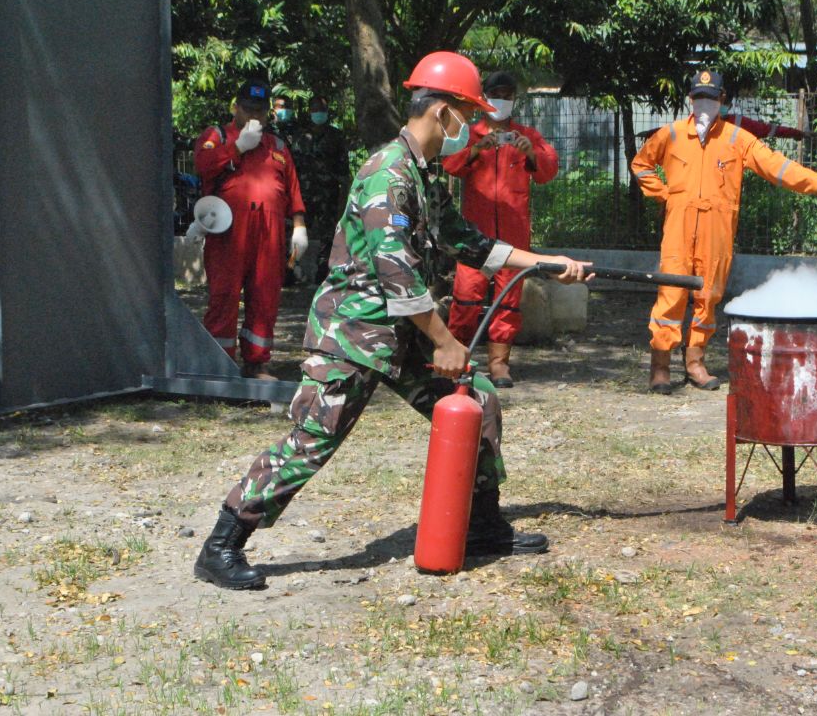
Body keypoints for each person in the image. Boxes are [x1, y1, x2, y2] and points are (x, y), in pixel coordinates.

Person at [193, 51, 592, 591]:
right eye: (467, 115)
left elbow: (469, 242)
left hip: (401, 332)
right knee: (314, 437)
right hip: (354, 333)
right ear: (442, 112)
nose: (471, 127)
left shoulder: (423, 175)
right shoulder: (388, 174)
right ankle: (221, 545)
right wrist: (445, 341)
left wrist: (544, 263)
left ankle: (481, 527)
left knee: (477, 401)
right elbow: (395, 273)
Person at [631, 70, 817, 394]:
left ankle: (695, 362)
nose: (705, 103)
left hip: (717, 232)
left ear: (722, 99)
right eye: (699, 97)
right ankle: (660, 367)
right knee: (670, 294)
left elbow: (774, 164)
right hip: (678, 229)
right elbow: (641, 164)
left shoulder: (737, 138)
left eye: (711, 97)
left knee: (708, 296)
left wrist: (814, 182)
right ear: (691, 99)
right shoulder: (670, 135)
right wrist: (664, 195)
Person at [440, 71, 559, 387]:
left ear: (514, 100)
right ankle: (457, 362)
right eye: (496, 95)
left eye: (507, 96)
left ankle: (499, 364)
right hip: (474, 233)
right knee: (466, 297)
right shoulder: (470, 134)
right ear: (484, 98)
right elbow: (450, 164)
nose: (501, 101)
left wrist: (530, 153)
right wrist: (477, 150)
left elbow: (548, 170)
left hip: (513, 231)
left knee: (508, 299)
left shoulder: (527, 135)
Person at [193, 80, 307, 381]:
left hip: (269, 233)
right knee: (224, 296)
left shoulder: (277, 147)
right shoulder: (217, 136)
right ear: (236, 108)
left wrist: (299, 226)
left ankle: (257, 364)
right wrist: (237, 147)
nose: (254, 116)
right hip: (229, 231)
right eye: (247, 109)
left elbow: (292, 189)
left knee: (265, 297)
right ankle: (218, 364)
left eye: (260, 111)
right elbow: (203, 165)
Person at [290, 94, 351, 285]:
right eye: (315, 109)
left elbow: (344, 171)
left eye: (322, 110)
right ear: (309, 112)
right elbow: (292, 168)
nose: (318, 113)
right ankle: (290, 269)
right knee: (297, 233)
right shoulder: (300, 136)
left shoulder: (336, 137)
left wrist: (343, 199)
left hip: (328, 195)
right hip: (303, 195)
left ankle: (323, 273)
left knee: (328, 236)